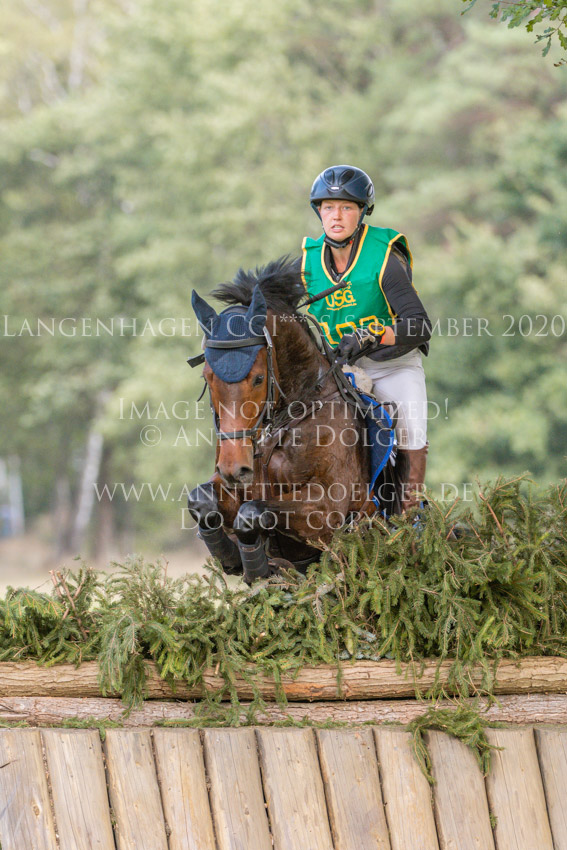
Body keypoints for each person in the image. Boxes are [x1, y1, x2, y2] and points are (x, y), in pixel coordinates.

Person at [301, 164, 431, 512]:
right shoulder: (308, 263)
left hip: (393, 366)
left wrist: (370, 336)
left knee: (411, 430)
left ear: (362, 212)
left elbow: (420, 326)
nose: (336, 216)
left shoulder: (384, 255)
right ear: (319, 211)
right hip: (339, 371)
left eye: (346, 207)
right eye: (328, 207)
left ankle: (410, 517)